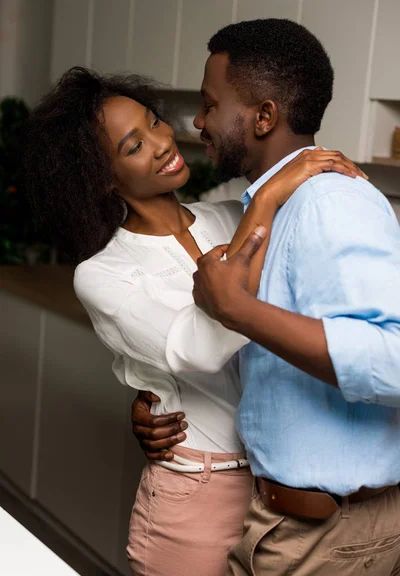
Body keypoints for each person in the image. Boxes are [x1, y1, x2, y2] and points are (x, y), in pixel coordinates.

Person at [24, 66, 362, 576]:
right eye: (133, 146)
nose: (163, 143)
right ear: (101, 177)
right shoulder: (102, 273)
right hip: (200, 493)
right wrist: (270, 195)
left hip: (283, 486)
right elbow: (202, 347)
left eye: (155, 122)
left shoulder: (229, 217)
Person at [131, 19, 400, 575]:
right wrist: (159, 400)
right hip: (288, 525)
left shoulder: (329, 202)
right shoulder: (266, 206)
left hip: (331, 537)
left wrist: (239, 311)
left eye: (209, 104)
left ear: (264, 116)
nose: (199, 122)